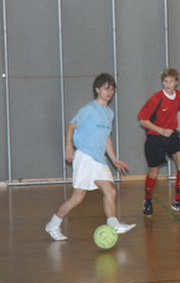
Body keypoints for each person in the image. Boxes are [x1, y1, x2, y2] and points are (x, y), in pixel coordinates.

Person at [45, 73, 136, 241]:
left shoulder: (109, 113)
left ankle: (114, 224)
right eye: (105, 88)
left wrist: (114, 159)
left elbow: (106, 137)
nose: (109, 92)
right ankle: (53, 224)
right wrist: (69, 147)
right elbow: (71, 127)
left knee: (111, 191)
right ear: (97, 90)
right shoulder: (88, 110)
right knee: (78, 197)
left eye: (112, 89)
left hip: (99, 160)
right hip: (85, 156)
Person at [137, 68, 180, 215]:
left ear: (176, 83)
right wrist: (161, 130)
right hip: (155, 136)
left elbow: (178, 109)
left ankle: (177, 201)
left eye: (171, 81)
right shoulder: (156, 98)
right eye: (165, 81)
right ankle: (147, 200)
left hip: (171, 134)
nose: (167, 84)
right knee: (154, 171)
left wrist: (179, 124)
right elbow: (143, 121)